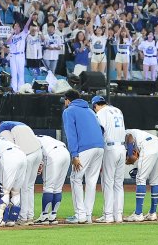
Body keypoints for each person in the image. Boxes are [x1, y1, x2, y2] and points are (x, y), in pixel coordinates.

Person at [61, 89, 104, 224]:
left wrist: (74, 154)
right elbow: (101, 129)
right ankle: (88, 215)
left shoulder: (69, 111)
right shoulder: (90, 111)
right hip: (99, 147)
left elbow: (71, 134)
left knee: (75, 178)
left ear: (68, 100)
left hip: (85, 148)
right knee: (91, 181)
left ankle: (80, 214)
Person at [0, 121, 43, 224]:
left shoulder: (3, 128)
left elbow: (11, 147)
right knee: (30, 187)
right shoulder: (21, 124)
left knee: (23, 187)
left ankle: (23, 217)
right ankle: (30, 216)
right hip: (38, 152)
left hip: (28, 154)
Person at [91, 95, 126, 224]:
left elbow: (100, 130)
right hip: (122, 148)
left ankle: (108, 215)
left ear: (95, 106)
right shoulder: (118, 110)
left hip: (110, 148)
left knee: (108, 182)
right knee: (118, 184)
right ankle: (119, 215)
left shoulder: (101, 112)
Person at [124, 128, 158, 222]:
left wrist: (130, 155)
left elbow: (129, 137)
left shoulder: (125, 132)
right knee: (155, 181)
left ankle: (138, 214)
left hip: (149, 146)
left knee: (140, 179)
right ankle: (152, 213)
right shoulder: (138, 133)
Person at [33, 134, 70, 225]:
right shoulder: (43, 137)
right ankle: (53, 216)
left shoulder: (31, 140)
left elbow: (36, 155)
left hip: (53, 154)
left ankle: (44, 216)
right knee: (58, 188)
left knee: (48, 187)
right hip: (65, 152)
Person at [7, 16, 33, 92]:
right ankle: (14, 90)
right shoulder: (11, 35)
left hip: (20, 55)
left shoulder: (23, 34)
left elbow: (26, 26)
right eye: (15, 26)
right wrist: (12, 33)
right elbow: (8, 42)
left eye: (17, 26)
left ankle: (21, 90)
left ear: (20, 28)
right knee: (13, 74)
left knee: (21, 73)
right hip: (12, 55)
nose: (16, 27)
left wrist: (30, 18)